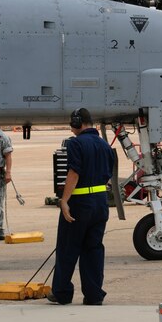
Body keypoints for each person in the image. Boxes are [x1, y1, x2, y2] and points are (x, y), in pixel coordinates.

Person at [48, 108, 116, 306]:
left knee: (68, 248)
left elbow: (74, 173)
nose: (71, 129)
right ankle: (94, 295)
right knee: (93, 249)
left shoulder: (75, 143)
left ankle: (61, 292)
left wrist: (64, 200)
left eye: (72, 124)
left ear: (78, 122)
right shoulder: (105, 145)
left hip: (80, 203)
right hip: (100, 202)